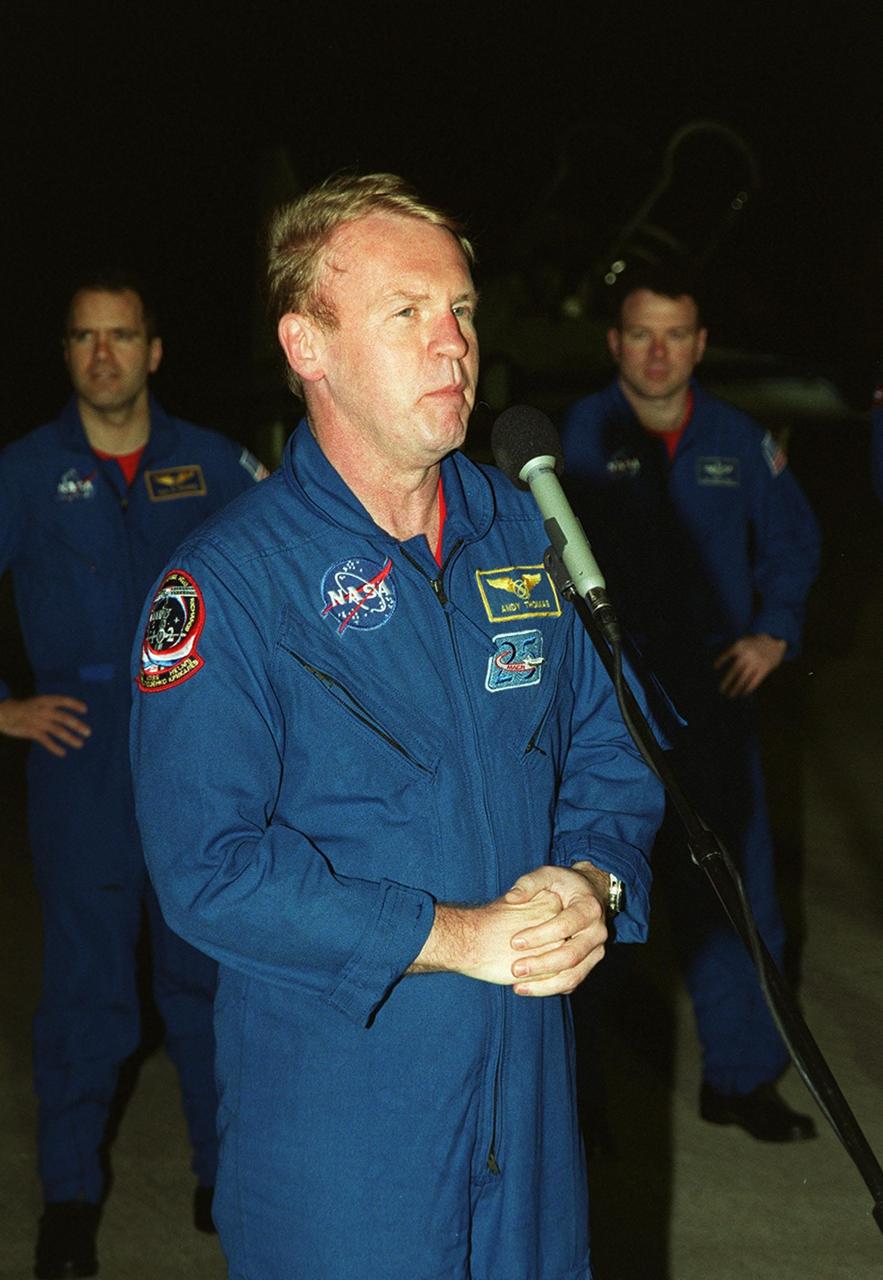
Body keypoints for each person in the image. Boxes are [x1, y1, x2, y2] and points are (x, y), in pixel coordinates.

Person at [130, 173, 665, 1280]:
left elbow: (618, 746)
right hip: (343, 1122)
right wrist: (457, 935)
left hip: (529, 1104)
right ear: (307, 345)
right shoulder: (228, 585)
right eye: (407, 313)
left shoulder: (528, 529)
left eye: (462, 309)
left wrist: (595, 879)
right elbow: (208, 869)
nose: (453, 344)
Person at [0, 274, 267, 1278]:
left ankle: (222, 1170)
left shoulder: (215, 464)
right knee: (86, 988)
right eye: (83, 336)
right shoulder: (26, 472)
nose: (103, 354)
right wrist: (5, 707)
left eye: (122, 335)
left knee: (208, 974)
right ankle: (71, 1195)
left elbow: (287, 583)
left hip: (197, 752)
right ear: (65, 352)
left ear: (156, 350)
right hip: (81, 762)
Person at [561, 271, 821, 1143]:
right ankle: (578, 1103)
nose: (659, 352)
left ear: (700, 344)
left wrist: (774, 631)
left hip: (712, 712)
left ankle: (740, 1079)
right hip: (609, 719)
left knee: (738, 905)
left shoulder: (738, 441)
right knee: (587, 902)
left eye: (675, 335)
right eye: (640, 334)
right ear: (615, 342)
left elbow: (793, 540)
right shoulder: (578, 441)